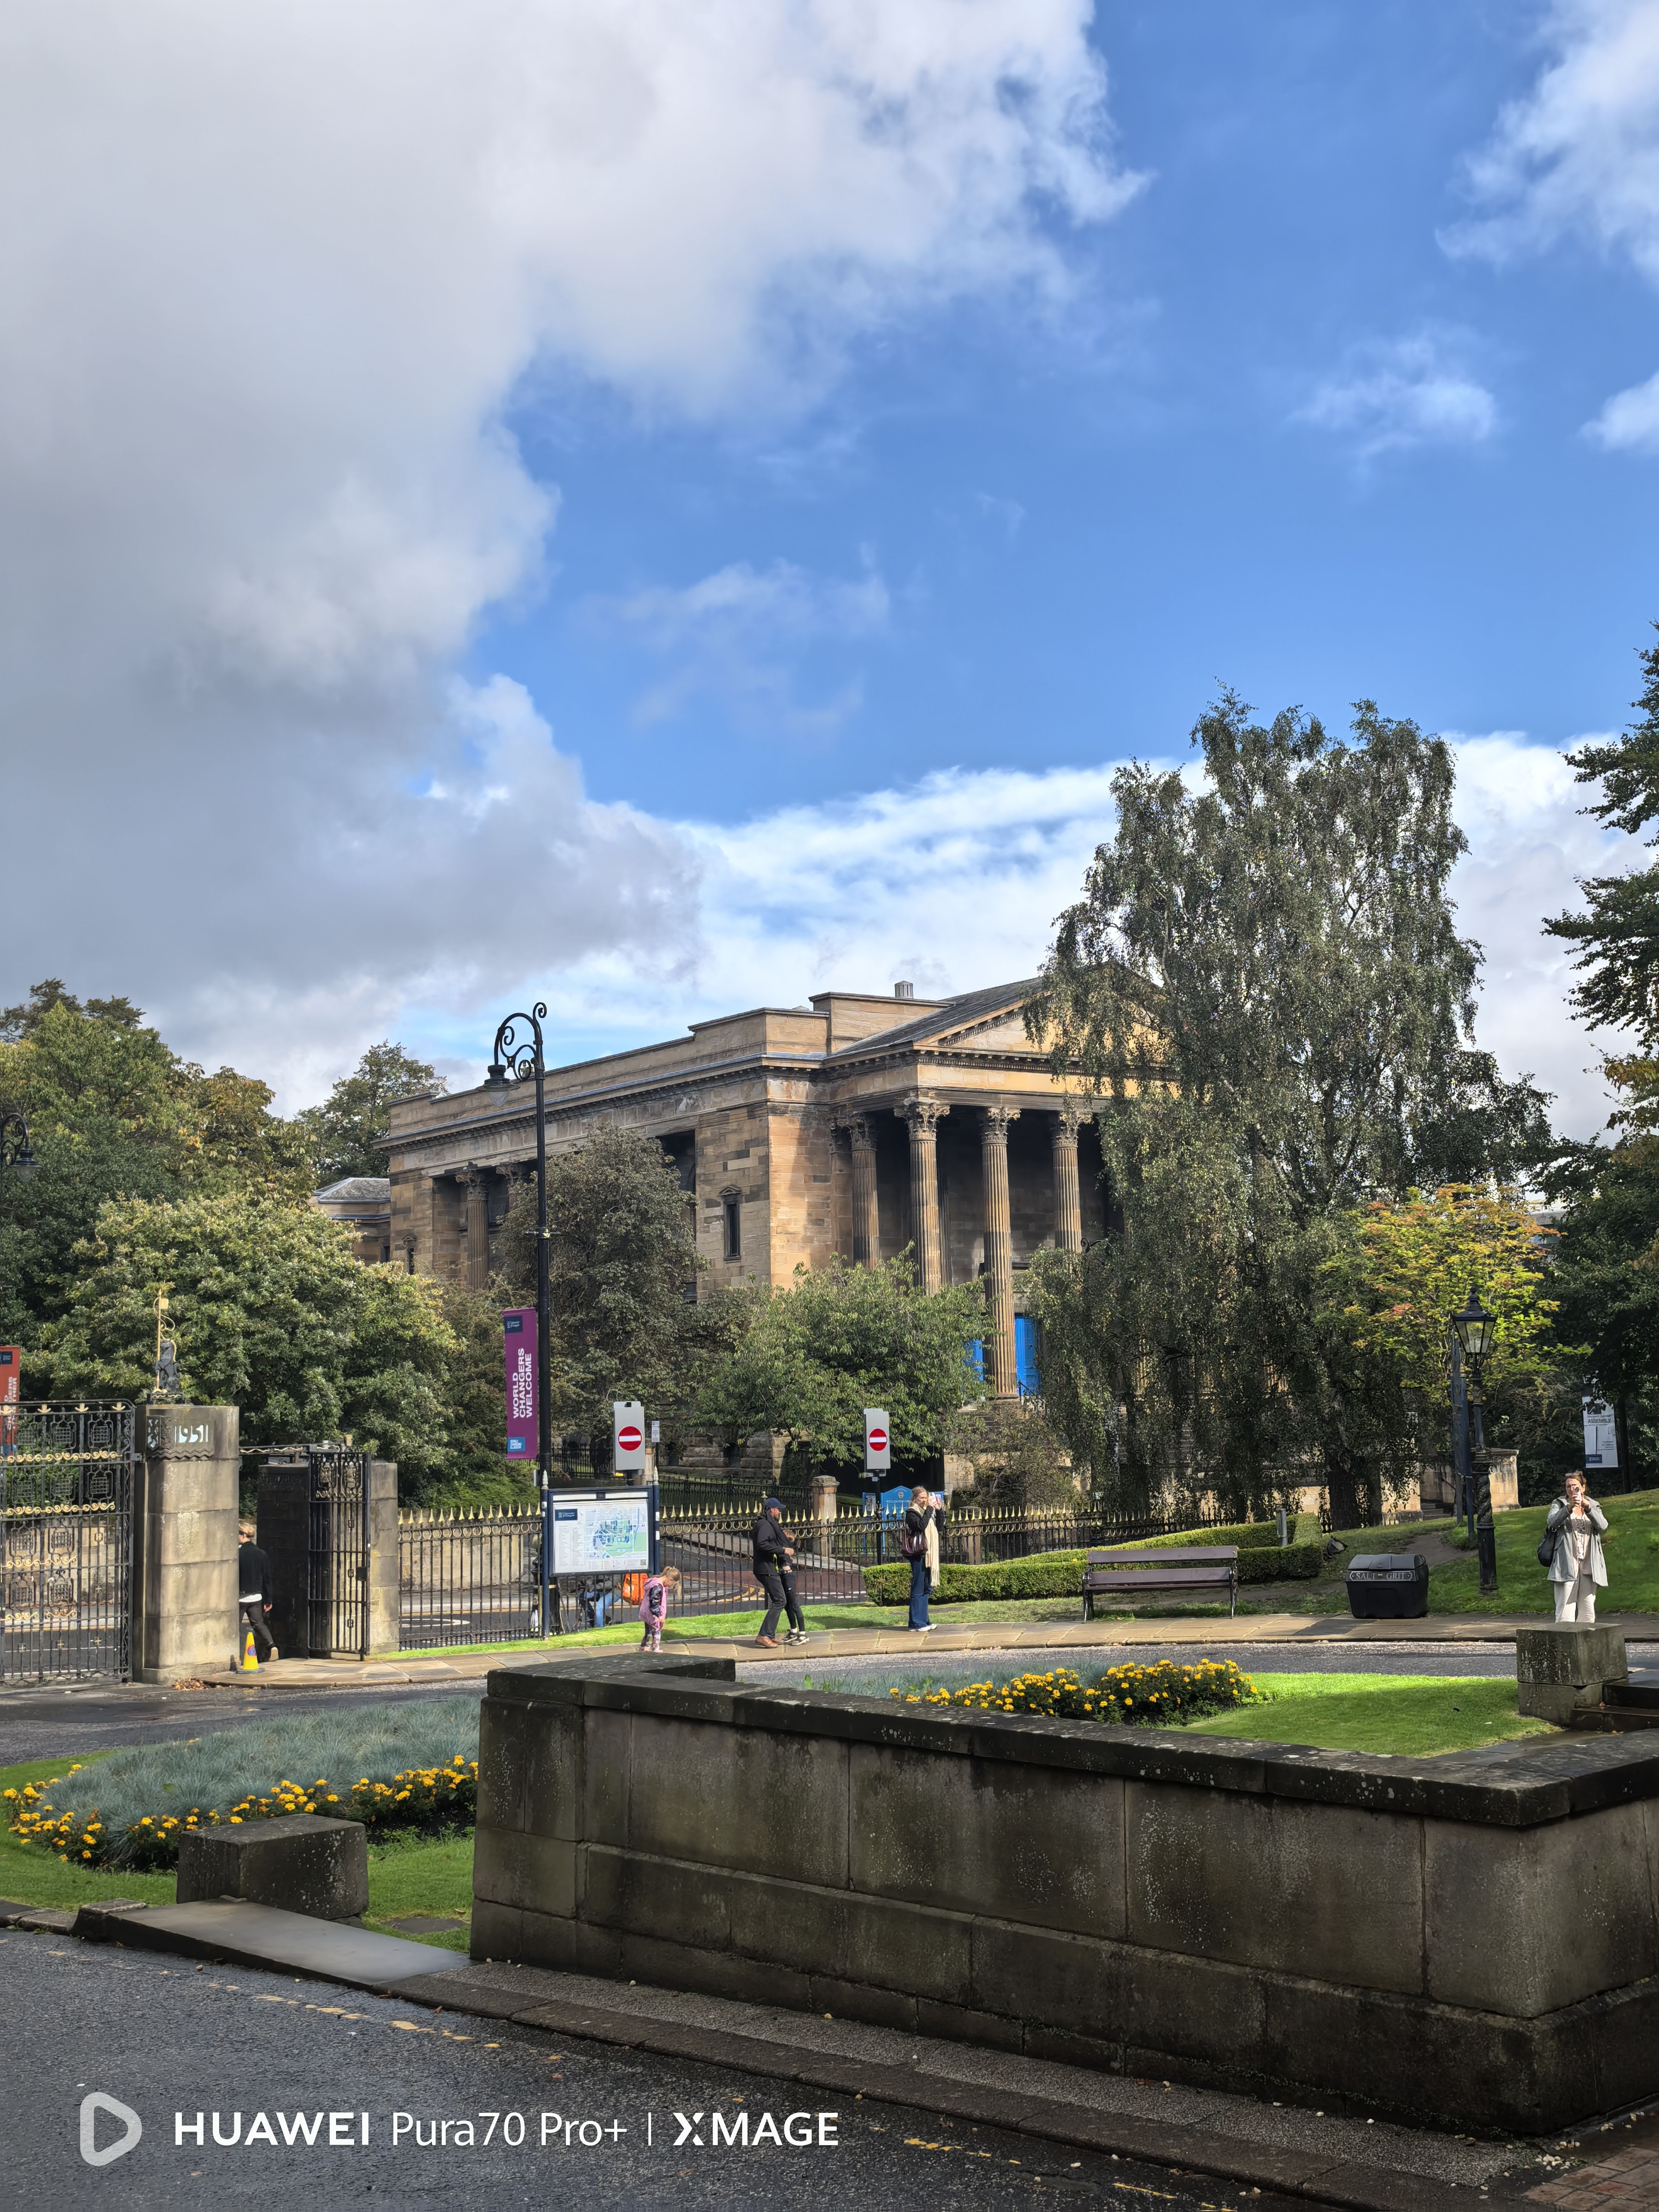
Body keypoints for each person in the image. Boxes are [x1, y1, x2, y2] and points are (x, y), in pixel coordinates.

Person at [1546, 1473, 1608, 1623]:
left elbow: (1603, 1526)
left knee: (1588, 1609)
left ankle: (1586, 1636)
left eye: (1575, 1486)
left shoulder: (1592, 1504)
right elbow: (1552, 1522)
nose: (1571, 1489)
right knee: (1565, 1609)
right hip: (1567, 1562)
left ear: (1583, 1488)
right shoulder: (1559, 1504)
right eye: (1568, 1487)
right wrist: (1568, 1509)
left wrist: (1588, 1509)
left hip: (1588, 1562)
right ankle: (1564, 1636)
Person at [752, 1496, 806, 1648]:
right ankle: (764, 1635)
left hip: (767, 1567)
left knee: (780, 1600)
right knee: (780, 1601)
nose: (780, 1512)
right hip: (765, 1568)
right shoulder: (765, 1525)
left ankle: (769, 1635)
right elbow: (762, 1545)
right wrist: (783, 1550)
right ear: (772, 1510)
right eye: (778, 1509)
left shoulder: (767, 1524)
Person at [902, 1485, 945, 1632]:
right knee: (918, 1588)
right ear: (915, 1499)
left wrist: (938, 1511)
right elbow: (920, 1527)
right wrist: (930, 1509)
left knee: (927, 1588)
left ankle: (924, 1620)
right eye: (922, 1498)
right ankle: (916, 1623)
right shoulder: (912, 1513)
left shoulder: (928, 1511)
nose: (925, 1500)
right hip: (919, 1555)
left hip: (929, 1555)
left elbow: (940, 1527)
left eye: (926, 1498)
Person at [237, 1522, 276, 1662]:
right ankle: (272, 1646)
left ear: (243, 1535)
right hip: (256, 1597)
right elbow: (267, 1578)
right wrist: (268, 1600)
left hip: (240, 1597)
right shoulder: (261, 1554)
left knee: (234, 1626)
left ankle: (236, 1656)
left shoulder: (238, 1554)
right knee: (259, 1624)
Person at [637, 1564, 681, 1653]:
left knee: (649, 1631)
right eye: (672, 1584)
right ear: (670, 1579)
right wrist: (660, 1615)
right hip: (653, 1613)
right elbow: (654, 1603)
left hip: (647, 1612)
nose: (670, 1586)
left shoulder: (656, 1583)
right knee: (657, 1631)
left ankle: (644, 1646)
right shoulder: (658, 1587)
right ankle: (656, 1648)